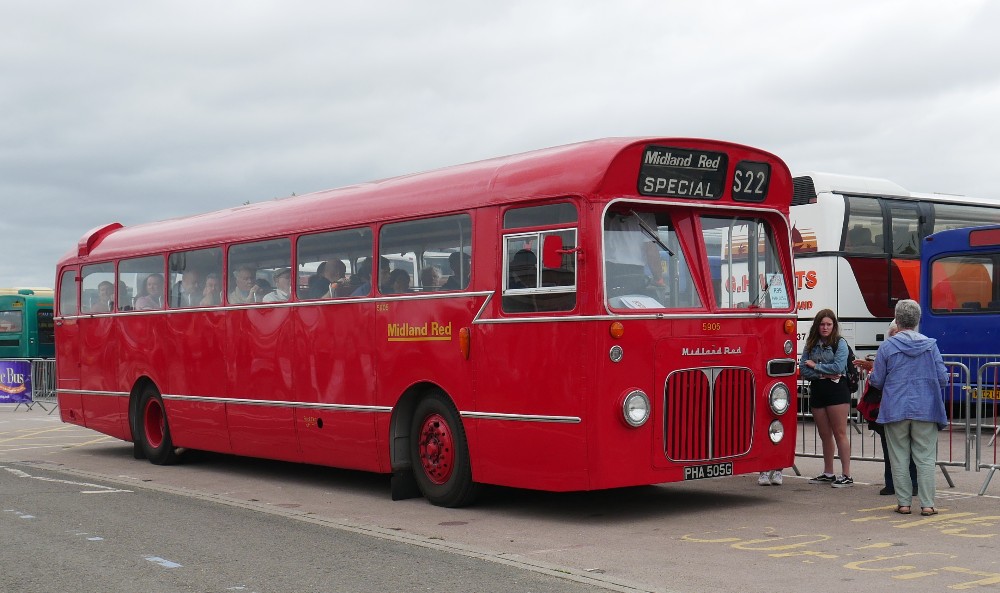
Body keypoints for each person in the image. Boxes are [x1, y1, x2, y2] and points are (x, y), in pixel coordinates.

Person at [867, 299, 948, 516]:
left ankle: (903, 503)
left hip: (895, 408)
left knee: (899, 457)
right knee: (925, 458)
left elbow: (877, 380)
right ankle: (928, 504)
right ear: (917, 320)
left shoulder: (887, 347)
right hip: (926, 408)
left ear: (897, 319)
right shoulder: (930, 346)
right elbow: (942, 378)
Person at [854, 320, 918, 496]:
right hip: (889, 406)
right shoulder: (893, 350)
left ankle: (911, 483)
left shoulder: (899, 351)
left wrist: (873, 368)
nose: (897, 336)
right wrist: (874, 368)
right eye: (894, 333)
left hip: (900, 405)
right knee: (889, 447)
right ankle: (892, 483)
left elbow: (884, 376)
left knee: (907, 448)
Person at [800, 308, 853, 487]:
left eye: (829, 324)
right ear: (817, 325)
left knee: (840, 433)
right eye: (822, 324)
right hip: (818, 390)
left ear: (834, 326)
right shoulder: (811, 343)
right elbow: (803, 369)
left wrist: (816, 366)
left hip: (837, 391)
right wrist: (824, 374)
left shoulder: (840, 343)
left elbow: (838, 367)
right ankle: (828, 472)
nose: (825, 327)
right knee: (824, 434)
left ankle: (846, 474)